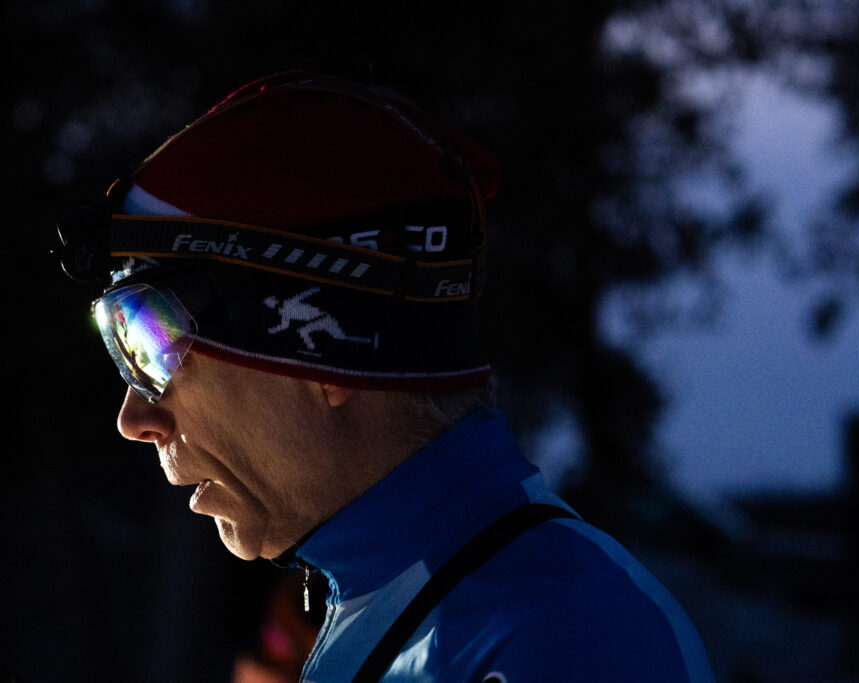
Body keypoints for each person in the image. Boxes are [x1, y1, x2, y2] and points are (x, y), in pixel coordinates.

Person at [57, 72, 715, 682]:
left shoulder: (563, 641)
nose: (135, 417)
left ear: (326, 349)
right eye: (121, 341)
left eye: (150, 338)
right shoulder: (399, 607)